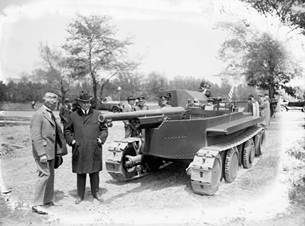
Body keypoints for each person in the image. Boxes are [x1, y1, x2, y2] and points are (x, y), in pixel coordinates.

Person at [64, 92, 108, 204]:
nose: (86, 105)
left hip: (94, 148)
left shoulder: (98, 114)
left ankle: (96, 193)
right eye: (83, 103)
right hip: (80, 148)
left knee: (95, 172)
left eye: (88, 102)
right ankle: (80, 195)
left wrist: (100, 140)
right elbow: (67, 130)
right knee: (80, 172)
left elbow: (104, 130)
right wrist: (72, 141)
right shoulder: (73, 115)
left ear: (90, 103)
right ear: (79, 103)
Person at [30, 92, 67, 214]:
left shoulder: (50, 114)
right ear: (47, 101)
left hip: (51, 151)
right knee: (44, 175)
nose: (56, 103)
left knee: (50, 176)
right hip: (43, 152)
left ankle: (47, 200)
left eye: (56, 101)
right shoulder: (39, 114)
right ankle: (37, 204)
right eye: (54, 101)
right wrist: (41, 154)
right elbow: (36, 136)